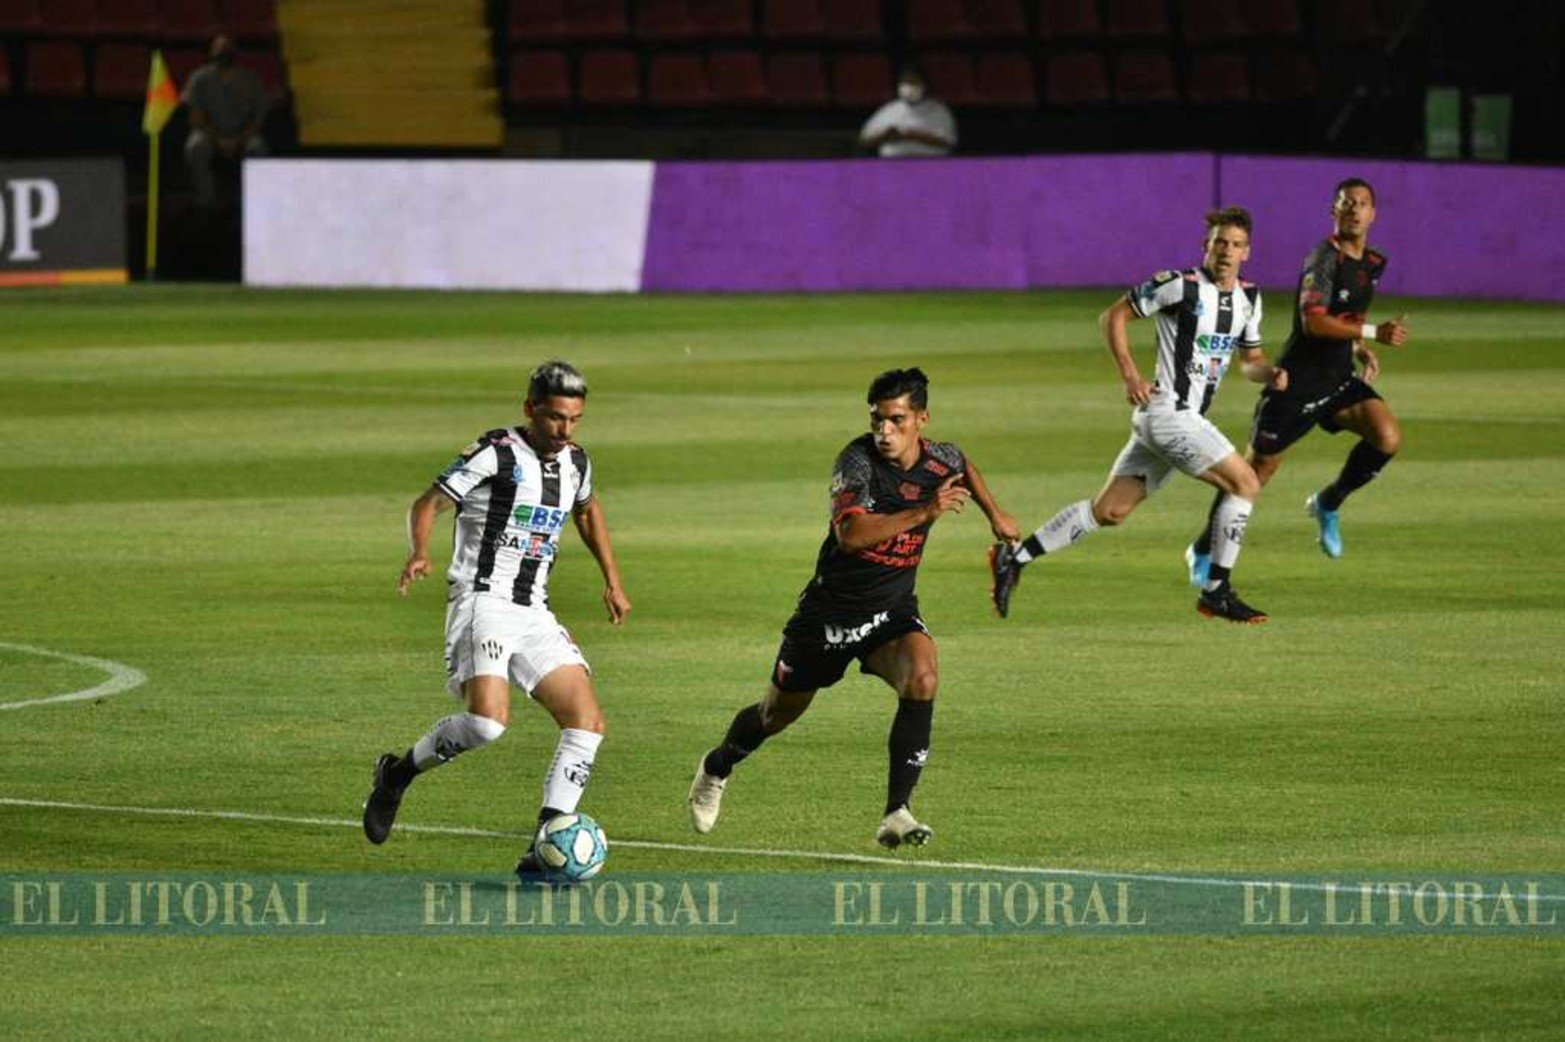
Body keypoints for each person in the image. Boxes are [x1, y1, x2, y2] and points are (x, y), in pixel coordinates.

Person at [688, 368, 1018, 848]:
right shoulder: (857, 462)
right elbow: (851, 536)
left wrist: (995, 513)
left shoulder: (939, 458)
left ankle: (897, 812)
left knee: (923, 677)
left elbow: (962, 463)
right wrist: (925, 512)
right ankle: (717, 766)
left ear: (921, 419)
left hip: (890, 612)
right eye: (877, 419)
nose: (884, 430)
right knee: (772, 716)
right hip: (829, 616)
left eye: (896, 420)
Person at [363, 361, 631, 879]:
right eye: (555, 417)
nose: (565, 430)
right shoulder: (496, 452)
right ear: (530, 409)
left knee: (586, 724)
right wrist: (419, 551)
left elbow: (586, 510)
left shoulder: (576, 461)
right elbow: (428, 503)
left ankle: (543, 848)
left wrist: (612, 580)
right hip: (482, 602)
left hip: (533, 609)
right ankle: (396, 774)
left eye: (574, 419)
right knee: (486, 723)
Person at [990, 207, 1284, 624]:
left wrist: (1270, 373)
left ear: (1247, 252)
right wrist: (1130, 375)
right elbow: (1113, 316)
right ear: (1206, 246)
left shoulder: (1249, 299)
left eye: (1235, 245)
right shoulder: (1179, 285)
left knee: (1110, 511)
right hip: (1170, 414)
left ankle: (1015, 558)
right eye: (1219, 242)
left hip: (1174, 421)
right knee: (1246, 483)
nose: (1226, 251)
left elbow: (1250, 360)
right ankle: (1217, 590)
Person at [1186, 179, 1409, 578]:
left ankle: (1327, 503)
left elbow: (1348, 312)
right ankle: (1202, 549)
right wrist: (1373, 333)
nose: (1354, 210)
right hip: (1295, 384)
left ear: (1373, 214)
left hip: (1337, 379)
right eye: (1346, 203)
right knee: (1251, 477)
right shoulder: (1323, 259)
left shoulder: (1373, 262)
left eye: (1362, 203)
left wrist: (1358, 346)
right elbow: (1313, 322)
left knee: (1387, 437)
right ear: (1333, 211)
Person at [181, 35, 269, 207]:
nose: (223, 53)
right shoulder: (199, 78)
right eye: (219, 49)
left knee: (258, 148)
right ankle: (206, 198)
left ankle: (252, 199)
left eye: (227, 49)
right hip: (209, 133)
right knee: (195, 147)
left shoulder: (250, 79)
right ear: (211, 52)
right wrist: (218, 140)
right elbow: (196, 117)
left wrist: (240, 139)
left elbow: (258, 116)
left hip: (243, 134)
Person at [857, 67, 957, 158]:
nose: (909, 87)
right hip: (892, 163)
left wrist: (913, 135)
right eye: (905, 82)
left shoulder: (938, 109)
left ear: (924, 85)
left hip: (929, 162)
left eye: (913, 82)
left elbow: (948, 142)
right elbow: (864, 140)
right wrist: (885, 136)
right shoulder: (889, 109)